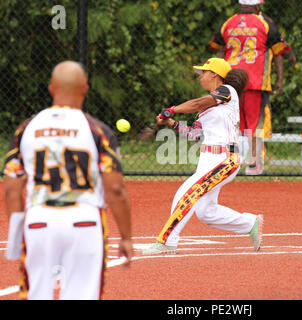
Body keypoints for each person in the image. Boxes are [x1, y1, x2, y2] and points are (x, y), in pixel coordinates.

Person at [3, 61, 133, 300]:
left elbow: (11, 190)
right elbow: (115, 189)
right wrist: (126, 237)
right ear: (85, 88)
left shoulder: (26, 129)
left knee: (35, 293)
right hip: (84, 221)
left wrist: (17, 234)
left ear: (51, 88)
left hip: (38, 220)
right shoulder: (98, 130)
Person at [142, 58, 264, 255]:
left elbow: (198, 102)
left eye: (204, 72)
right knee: (206, 212)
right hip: (208, 160)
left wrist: (172, 109)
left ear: (214, 74)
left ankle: (167, 241)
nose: (201, 77)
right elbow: (194, 134)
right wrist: (171, 123)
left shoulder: (227, 91)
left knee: (186, 193)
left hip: (224, 158)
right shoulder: (206, 108)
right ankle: (250, 223)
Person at [209, 0, 296, 175]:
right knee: (255, 124)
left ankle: (232, 162)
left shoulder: (228, 23)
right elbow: (280, 51)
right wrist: (281, 77)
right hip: (255, 81)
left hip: (231, 81)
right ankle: (255, 163)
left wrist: (217, 78)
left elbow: (218, 48)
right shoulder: (265, 23)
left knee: (234, 122)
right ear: (258, 6)